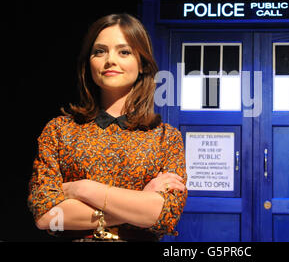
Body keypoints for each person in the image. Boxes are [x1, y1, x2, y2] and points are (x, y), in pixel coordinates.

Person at [27, 13, 187, 242]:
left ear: (141, 63)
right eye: (99, 51)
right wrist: (139, 202)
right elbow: (47, 216)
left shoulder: (165, 138)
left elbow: (164, 214)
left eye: (124, 52)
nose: (110, 59)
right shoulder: (59, 130)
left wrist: (82, 189)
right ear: (89, 62)